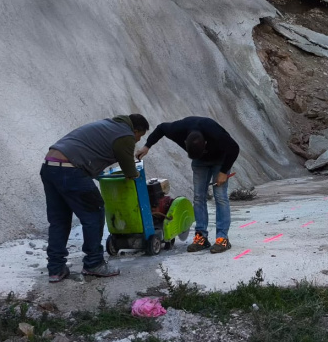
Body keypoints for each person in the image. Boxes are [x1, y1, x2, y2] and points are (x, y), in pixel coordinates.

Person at [41, 114, 150, 282]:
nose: (137, 140)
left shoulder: (108, 125)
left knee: (59, 220)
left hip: (49, 166)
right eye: (139, 136)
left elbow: (90, 151)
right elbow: (128, 168)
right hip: (70, 169)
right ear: (135, 130)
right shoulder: (125, 134)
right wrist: (135, 175)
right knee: (94, 214)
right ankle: (94, 264)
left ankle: (56, 269)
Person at [135, 117, 239, 254]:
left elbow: (234, 148)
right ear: (185, 142)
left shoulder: (214, 132)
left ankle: (222, 238)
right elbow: (161, 128)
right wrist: (147, 146)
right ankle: (201, 237)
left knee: (220, 196)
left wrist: (223, 172)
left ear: (205, 143)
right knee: (198, 197)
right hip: (199, 163)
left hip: (220, 160)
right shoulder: (178, 129)